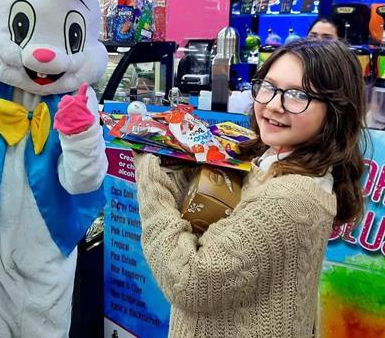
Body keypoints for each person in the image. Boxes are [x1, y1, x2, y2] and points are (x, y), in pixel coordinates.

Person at [134, 39, 366, 338]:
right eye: (267, 86)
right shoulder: (271, 158)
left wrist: (151, 172)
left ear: (335, 110)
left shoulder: (290, 199)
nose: (272, 104)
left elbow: (188, 280)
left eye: (297, 95)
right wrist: (179, 159)